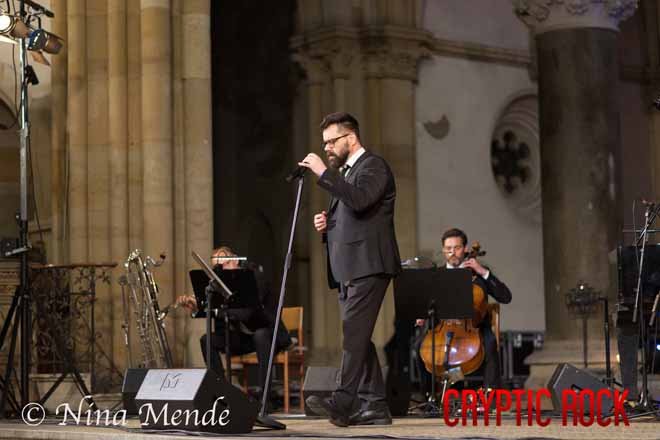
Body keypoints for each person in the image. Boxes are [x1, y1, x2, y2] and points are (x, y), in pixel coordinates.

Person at [298, 112, 401, 427]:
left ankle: (342, 401)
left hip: (369, 264)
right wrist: (328, 224)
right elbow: (355, 217)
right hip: (350, 267)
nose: (327, 148)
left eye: (332, 141)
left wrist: (322, 173)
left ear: (350, 137)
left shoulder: (373, 166)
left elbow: (360, 201)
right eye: (325, 143)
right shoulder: (348, 172)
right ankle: (375, 405)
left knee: (354, 335)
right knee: (358, 335)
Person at [176, 246, 291, 401]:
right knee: (206, 340)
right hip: (241, 338)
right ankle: (222, 393)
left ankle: (265, 398)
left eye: (225, 263)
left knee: (260, 335)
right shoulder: (218, 285)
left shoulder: (254, 276)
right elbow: (218, 313)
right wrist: (199, 307)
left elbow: (248, 312)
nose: (222, 270)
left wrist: (219, 308)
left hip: (266, 335)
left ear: (236, 260)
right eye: (217, 267)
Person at [415, 228, 512, 393]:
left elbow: (505, 297)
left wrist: (483, 272)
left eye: (457, 247)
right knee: (420, 347)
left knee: (490, 344)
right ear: (443, 250)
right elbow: (426, 302)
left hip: (475, 328)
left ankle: (490, 395)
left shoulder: (478, 273)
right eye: (448, 248)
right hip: (442, 329)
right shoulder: (436, 274)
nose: (452, 252)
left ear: (465, 249)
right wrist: (422, 314)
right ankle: (429, 396)